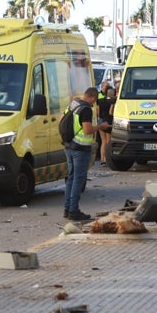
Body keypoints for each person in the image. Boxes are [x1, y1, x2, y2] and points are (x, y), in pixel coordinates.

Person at [62, 87, 99, 221]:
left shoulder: (73, 104)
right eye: (95, 100)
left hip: (68, 146)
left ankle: (67, 209)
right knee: (78, 179)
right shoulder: (86, 109)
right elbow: (87, 130)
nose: (94, 103)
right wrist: (101, 126)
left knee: (71, 178)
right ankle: (74, 211)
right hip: (81, 148)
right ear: (93, 97)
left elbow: (62, 120)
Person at [95, 81, 115, 165]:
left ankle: (102, 159)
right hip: (108, 122)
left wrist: (99, 119)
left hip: (101, 121)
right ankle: (107, 159)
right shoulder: (112, 101)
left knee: (103, 141)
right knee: (108, 141)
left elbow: (98, 112)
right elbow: (111, 112)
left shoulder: (100, 100)